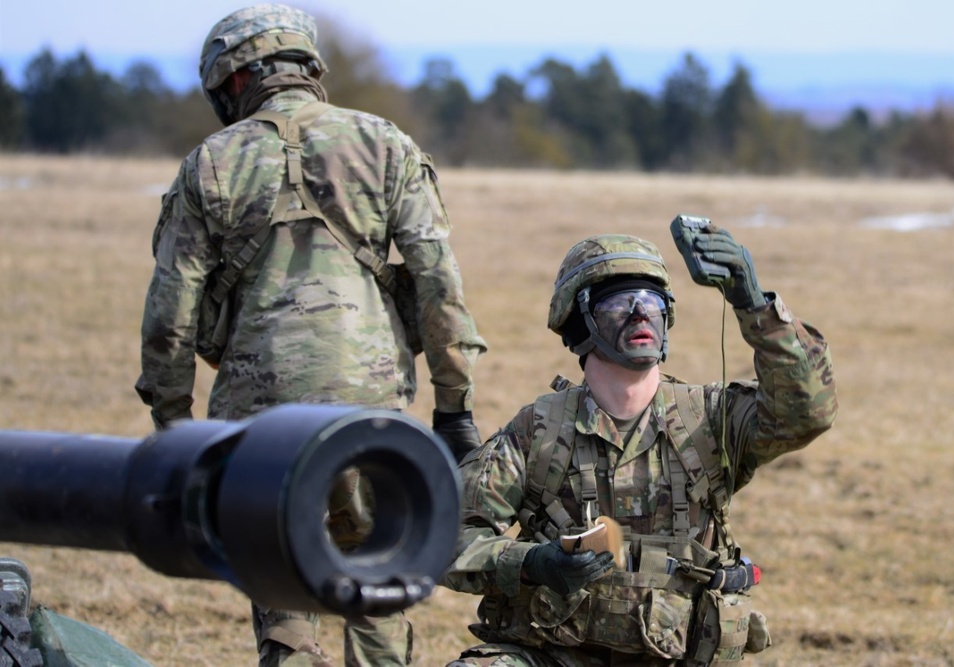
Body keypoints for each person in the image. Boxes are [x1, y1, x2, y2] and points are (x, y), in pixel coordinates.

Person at [134, 5, 487, 667]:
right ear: (307, 67)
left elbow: (169, 317)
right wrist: (454, 406)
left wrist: (173, 425)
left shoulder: (209, 164)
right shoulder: (385, 144)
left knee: (282, 590)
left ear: (232, 83)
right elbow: (439, 281)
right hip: (372, 408)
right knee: (378, 583)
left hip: (258, 424)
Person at [442, 228, 837, 666]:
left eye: (651, 305)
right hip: (551, 656)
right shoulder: (538, 431)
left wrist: (755, 304)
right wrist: (534, 562)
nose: (639, 316)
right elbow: (447, 538)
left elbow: (807, 412)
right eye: (619, 305)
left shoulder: (711, 419)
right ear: (580, 323)